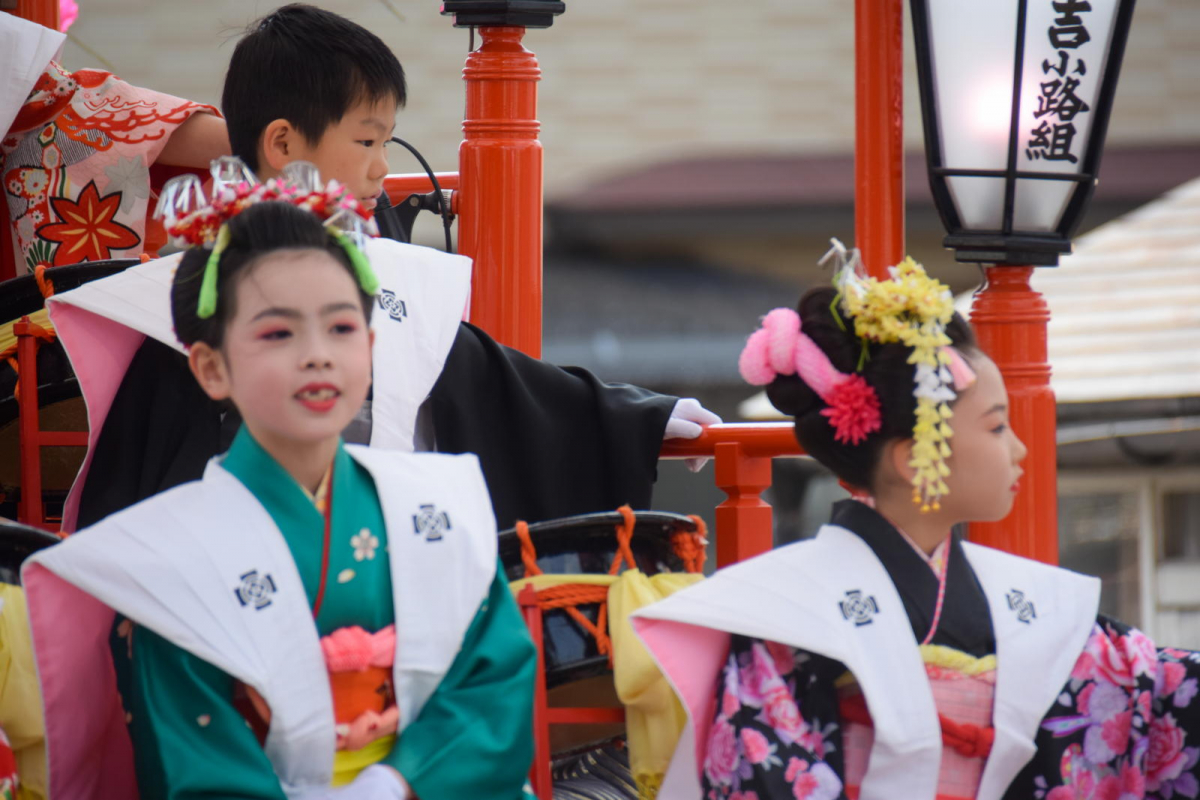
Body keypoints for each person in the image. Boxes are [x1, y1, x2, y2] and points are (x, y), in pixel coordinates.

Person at [45, 3, 717, 535]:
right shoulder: (196, 279)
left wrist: (638, 418)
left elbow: (483, 375)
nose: (379, 167)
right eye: (365, 141)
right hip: (238, 544)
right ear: (283, 143)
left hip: (375, 550)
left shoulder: (379, 262)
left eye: (385, 143)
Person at [23, 191, 537, 800]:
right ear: (211, 368)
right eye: (278, 333)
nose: (317, 354)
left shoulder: (434, 507)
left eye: (341, 327)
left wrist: (393, 785)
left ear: (370, 350)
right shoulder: (172, 558)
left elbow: (493, 681)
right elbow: (199, 759)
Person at [632, 250, 1200, 799]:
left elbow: (1157, 693)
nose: (1021, 449)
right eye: (998, 427)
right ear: (911, 458)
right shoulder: (787, 624)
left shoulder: (1033, 607)